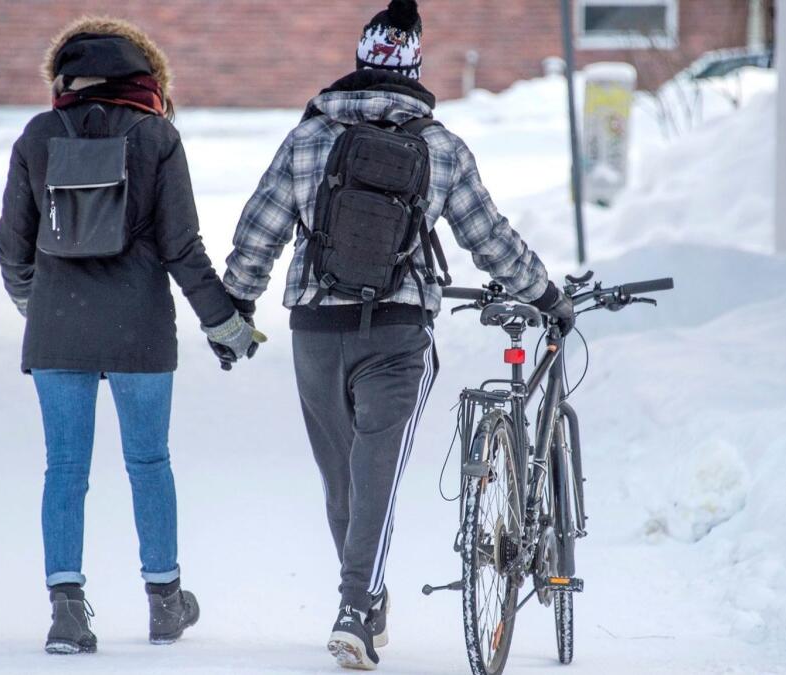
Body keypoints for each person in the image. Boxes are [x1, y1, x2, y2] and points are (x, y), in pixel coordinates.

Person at [221, 1, 574, 669]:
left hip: (316, 330)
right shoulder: (439, 147)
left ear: (358, 63)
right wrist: (545, 294)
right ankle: (358, 605)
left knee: (342, 485)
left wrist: (235, 304)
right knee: (375, 477)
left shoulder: (309, 138)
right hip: (398, 330)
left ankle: (362, 599)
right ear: (415, 69)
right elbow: (489, 239)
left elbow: (260, 226)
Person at [0, 16, 264, 655]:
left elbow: (11, 248)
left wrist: (39, 305)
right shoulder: (156, 136)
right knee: (149, 463)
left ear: (65, 77)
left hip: (57, 333)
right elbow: (182, 248)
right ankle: (165, 602)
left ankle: (66, 613)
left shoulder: (38, 135)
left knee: (64, 469)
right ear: (144, 76)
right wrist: (225, 325)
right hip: (140, 330)